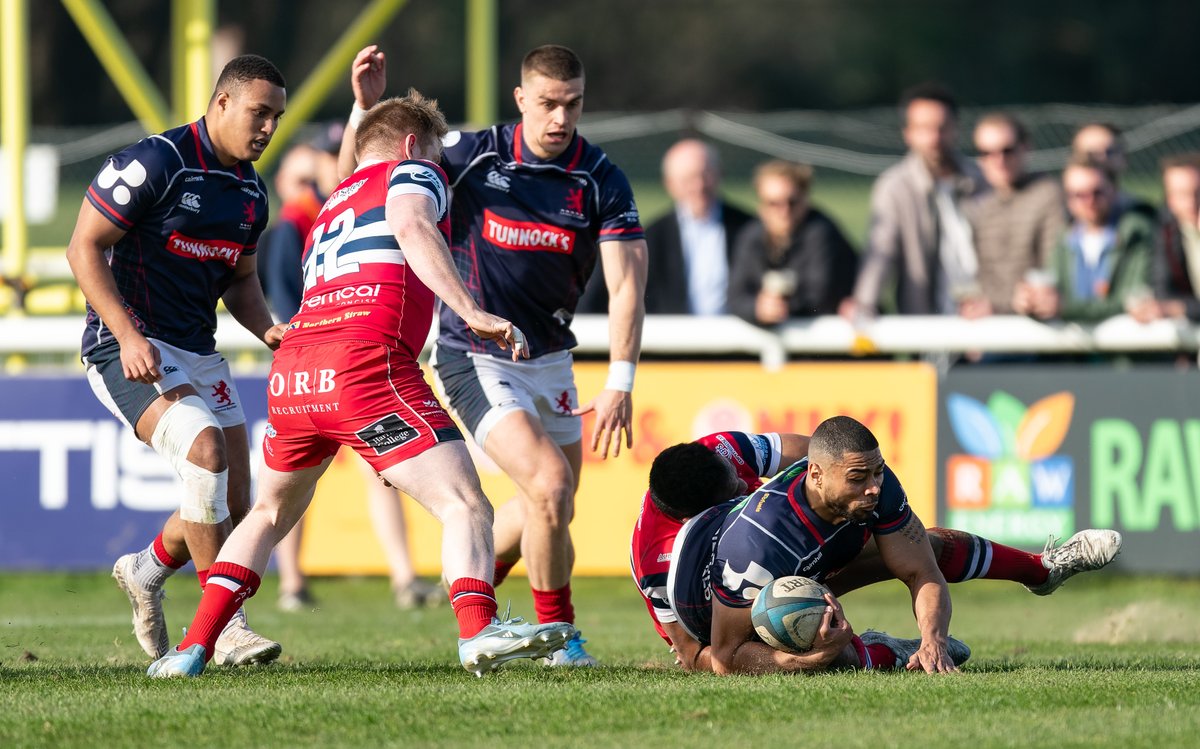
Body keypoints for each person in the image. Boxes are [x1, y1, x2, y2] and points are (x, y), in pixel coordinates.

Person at [146, 92, 575, 678]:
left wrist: (359, 110)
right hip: (366, 362)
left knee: (267, 514)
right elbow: (409, 220)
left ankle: (193, 648)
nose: (438, 168)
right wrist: (469, 308)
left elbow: (362, 176)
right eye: (432, 154)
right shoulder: (415, 172)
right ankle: (478, 630)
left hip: (297, 365)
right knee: (465, 503)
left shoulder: (332, 202)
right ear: (408, 147)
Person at [339, 44, 648, 666]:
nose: (560, 119)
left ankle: (483, 574)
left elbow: (627, 284)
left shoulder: (600, 177)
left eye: (573, 104)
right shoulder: (473, 154)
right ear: (520, 100)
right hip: (471, 351)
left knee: (550, 504)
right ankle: (562, 638)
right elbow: (359, 182)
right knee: (550, 485)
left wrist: (621, 379)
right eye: (547, 104)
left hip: (552, 359)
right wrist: (363, 113)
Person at [66, 54, 289, 667]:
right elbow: (82, 246)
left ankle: (146, 568)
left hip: (198, 350)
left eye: (276, 117)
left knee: (234, 498)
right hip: (125, 347)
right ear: (221, 103)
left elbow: (240, 282)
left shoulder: (250, 191)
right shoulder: (157, 161)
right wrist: (127, 333)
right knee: (206, 455)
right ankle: (226, 627)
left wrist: (269, 329)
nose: (268, 127)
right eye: (258, 112)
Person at [640, 417, 1122, 674]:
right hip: (722, 604)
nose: (874, 486)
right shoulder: (677, 556)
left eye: (874, 473)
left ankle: (1043, 568)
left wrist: (847, 467)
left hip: (804, 537)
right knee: (811, 640)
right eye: (861, 477)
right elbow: (713, 656)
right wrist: (807, 659)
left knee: (927, 545)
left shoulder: (721, 452)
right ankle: (880, 651)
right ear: (701, 515)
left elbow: (920, 570)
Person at [261, 131, 442, 612]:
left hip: (322, 367)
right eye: (312, 163)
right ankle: (292, 582)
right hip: (339, 362)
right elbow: (282, 301)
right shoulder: (300, 219)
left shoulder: (329, 212)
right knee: (300, 484)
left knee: (363, 474)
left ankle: (402, 577)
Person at [841, 83, 989, 318]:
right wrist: (864, 302)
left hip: (986, 318)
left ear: (956, 129)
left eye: (942, 128)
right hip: (925, 321)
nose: (934, 138)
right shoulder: (895, 186)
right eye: (924, 128)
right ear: (907, 133)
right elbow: (881, 251)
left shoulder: (982, 180)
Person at [578, 138, 752, 315]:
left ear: (720, 174)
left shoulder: (749, 229)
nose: (699, 186)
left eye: (705, 175)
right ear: (670, 184)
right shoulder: (652, 236)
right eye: (688, 179)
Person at [1012, 156, 1154, 323]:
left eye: (1097, 192)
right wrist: (1034, 303)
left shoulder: (1136, 232)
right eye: (1079, 195)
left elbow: (1132, 301)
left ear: (1114, 190)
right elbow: (1055, 291)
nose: (1089, 202)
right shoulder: (1064, 238)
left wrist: (1066, 308)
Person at [726, 160, 857, 324]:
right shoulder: (751, 236)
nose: (784, 211)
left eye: (792, 202)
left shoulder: (822, 233)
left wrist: (780, 308)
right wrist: (757, 309)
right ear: (761, 206)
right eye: (774, 203)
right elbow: (736, 296)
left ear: (805, 200)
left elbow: (820, 297)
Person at [966, 112, 1065, 317]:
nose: (998, 160)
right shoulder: (978, 202)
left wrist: (1000, 305)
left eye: (1007, 151)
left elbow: (1053, 271)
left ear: (1025, 147)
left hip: (1034, 324)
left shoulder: (1047, 195)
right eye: (987, 153)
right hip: (989, 324)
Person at [1127, 154, 1200, 325]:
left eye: (1198, 192)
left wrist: (1179, 308)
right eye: (1181, 194)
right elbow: (1163, 289)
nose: (1191, 202)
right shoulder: (1166, 229)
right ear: (1169, 199)